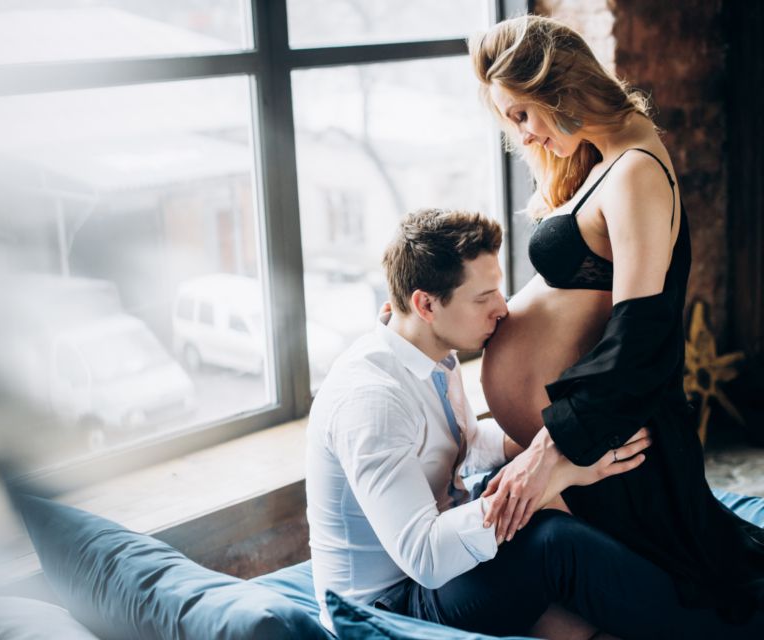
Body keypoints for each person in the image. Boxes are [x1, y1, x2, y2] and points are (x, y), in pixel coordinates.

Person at [305, 208, 752, 639]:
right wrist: (553, 477)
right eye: (483, 298)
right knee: (555, 543)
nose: (502, 308)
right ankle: (730, 629)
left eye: (498, 291)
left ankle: (710, 583)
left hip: (439, 554)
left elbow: (463, 444)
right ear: (425, 304)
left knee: (568, 490)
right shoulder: (371, 402)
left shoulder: (430, 357)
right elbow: (424, 556)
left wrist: (562, 449)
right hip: (395, 602)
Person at [471, 14, 764, 628]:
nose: (523, 136)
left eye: (522, 114)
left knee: (693, 600)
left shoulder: (634, 169)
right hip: (591, 449)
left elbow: (642, 335)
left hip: (613, 445)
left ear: (557, 85)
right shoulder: (608, 156)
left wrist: (549, 451)